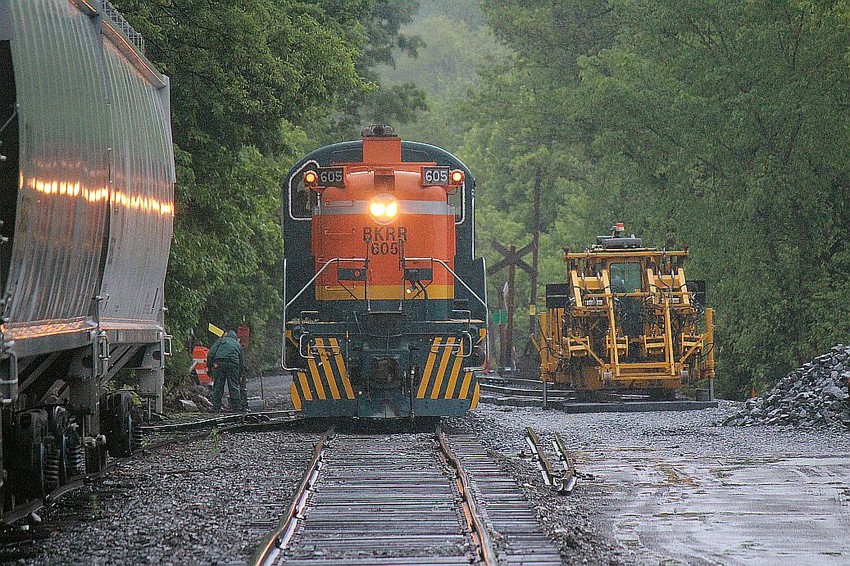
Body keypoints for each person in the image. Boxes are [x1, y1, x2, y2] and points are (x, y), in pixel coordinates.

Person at [206, 330, 244, 412]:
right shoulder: (238, 344)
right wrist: (240, 374)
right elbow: (241, 362)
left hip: (219, 364)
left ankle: (216, 407)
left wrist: (209, 368)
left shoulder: (221, 340)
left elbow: (211, 354)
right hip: (233, 365)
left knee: (218, 386)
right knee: (234, 385)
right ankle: (237, 407)